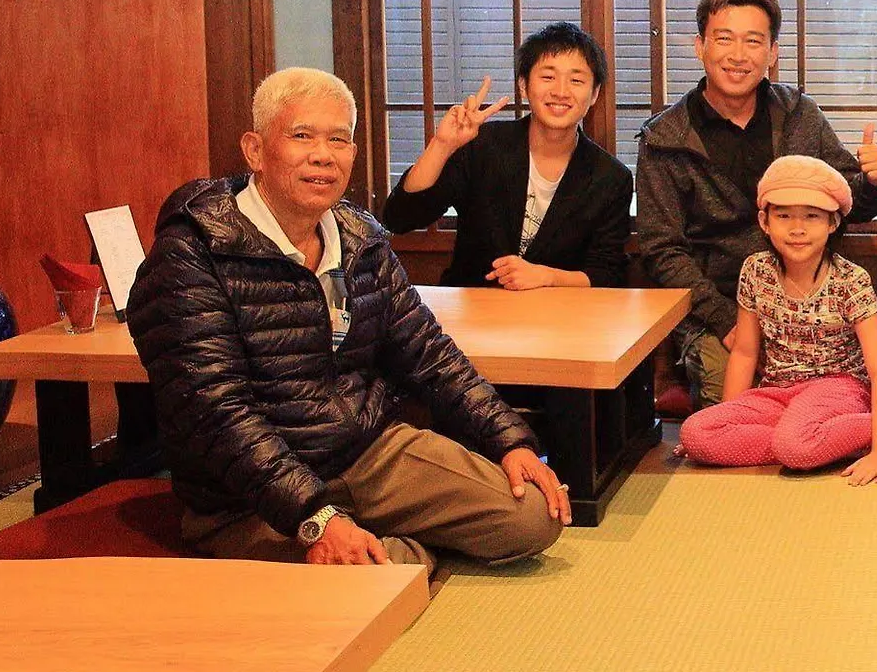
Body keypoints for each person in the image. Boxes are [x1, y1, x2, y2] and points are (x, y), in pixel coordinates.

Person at [126, 69, 566, 573]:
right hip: (250, 493)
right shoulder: (194, 250)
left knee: (533, 515)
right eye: (302, 136)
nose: (323, 155)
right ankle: (391, 553)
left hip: (366, 452)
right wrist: (316, 517)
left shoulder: (359, 237)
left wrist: (509, 440)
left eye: (338, 139)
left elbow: (429, 352)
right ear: (255, 150)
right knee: (371, 577)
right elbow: (215, 411)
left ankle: (389, 550)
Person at [636, 0, 877, 409]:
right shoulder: (664, 138)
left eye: (753, 42)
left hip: (810, 301)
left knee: (827, 404)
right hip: (716, 306)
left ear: (772, 53)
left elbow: (847, 203)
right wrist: (725, 320)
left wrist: (876, 181)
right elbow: (661, 249)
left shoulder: (799, 114)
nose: (739, 55)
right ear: (700, 47)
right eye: (724, 39)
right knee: (730, 403)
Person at [677, 157, 877, 483]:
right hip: (776, 392)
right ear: (764, 221)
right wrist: (729, 420)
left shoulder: (851, 280)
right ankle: (818, 439)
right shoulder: (756, 270)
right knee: (695, 432)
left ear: (833, 222)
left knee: (795, 447)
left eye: (812, 216)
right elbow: (745, 353)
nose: (797, 229)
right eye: (783, 216)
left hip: (838, 389)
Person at [381, 21, 632, 291]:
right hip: (475, 307)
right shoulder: (482, 146)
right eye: (548, 77)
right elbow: (401, 218)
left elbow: (608, 274)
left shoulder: (611, 178)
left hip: (559, 313)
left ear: (594, 94)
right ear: (523, 85)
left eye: (576, 80)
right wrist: (442, 145)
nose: (561, 91)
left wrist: (547, 277)